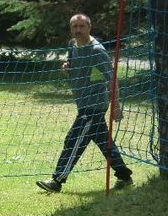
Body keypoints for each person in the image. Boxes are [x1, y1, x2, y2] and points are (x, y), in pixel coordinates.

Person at [36, 13, 132, 193]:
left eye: (82, 26)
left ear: (89, 27)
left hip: (94, 104)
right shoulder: (73, 45)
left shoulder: (97, 50)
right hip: (83, 102)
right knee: (104, 142)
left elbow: (112, 80)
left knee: (74, 139)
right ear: (71, 28)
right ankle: (124, 176)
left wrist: (116, 107)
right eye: (75, 27)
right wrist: (67, 67)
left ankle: (57, 180)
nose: (78, 30)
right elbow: (71, 63)